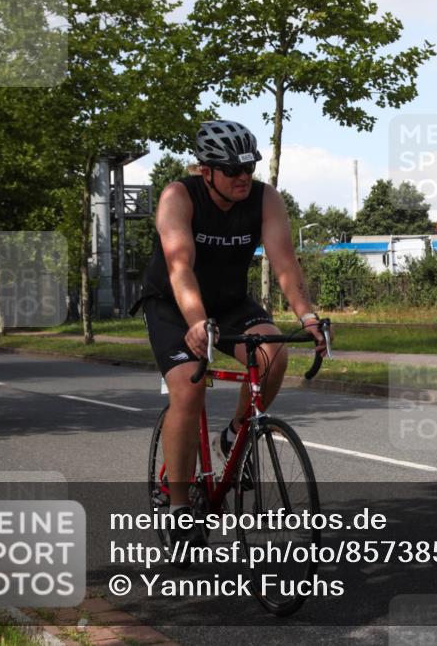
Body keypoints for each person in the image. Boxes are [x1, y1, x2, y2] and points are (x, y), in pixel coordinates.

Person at [136, 120, 327, 561]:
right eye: (232, 169)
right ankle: (180, 507)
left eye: (249, 167)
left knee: (273, 353)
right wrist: (198, 321)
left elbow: (284, 263)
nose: (244, 176)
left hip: (229, 301)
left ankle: (236, 433)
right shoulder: (178, 197)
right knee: (189, 385)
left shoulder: (265, 199)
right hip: (173, 302)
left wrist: (308, 315)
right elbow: (180, 266)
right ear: (206, 171)